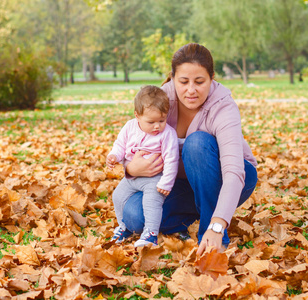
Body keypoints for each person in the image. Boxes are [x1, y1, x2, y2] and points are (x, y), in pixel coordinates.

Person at [114, 43, 258, 254]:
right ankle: (195, 214)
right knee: (134, 216)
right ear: (173, 78)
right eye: (183, 82)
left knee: (198, 143)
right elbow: (134, 140)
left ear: (211, 78)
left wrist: (218, 225)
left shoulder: (223, 107)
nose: (191, 90)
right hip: (179, 184)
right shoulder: (161, 100)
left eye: (199, 82)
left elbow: (234, 172)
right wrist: (130, 169)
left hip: (233, 179)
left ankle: (211, 229)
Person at [107, 85, 179, 247]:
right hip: (132, 176)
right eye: (151, 122)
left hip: (154, 179)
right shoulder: (129, 127)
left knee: (152, 201)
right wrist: (113, 156)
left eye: (162, 120)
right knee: (118, 196)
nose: (157, 126)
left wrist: (166, 183)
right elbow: (120, 145)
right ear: (137, 116)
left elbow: (171, 159)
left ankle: (150, 234)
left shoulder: (167, 134)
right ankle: (123, 227)